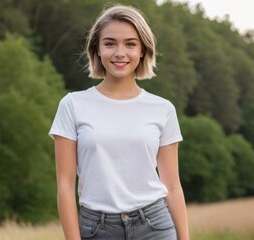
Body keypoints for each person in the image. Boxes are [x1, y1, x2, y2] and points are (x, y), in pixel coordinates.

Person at [49, 4, 189, 240]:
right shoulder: (72, 105)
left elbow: (173, 186)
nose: (119, 53)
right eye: (110, 43)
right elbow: (64, 185)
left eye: (130, 44)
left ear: (143, 50)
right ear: (97, 49)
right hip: (97, 229)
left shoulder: (163, 109)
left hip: (155, 225)